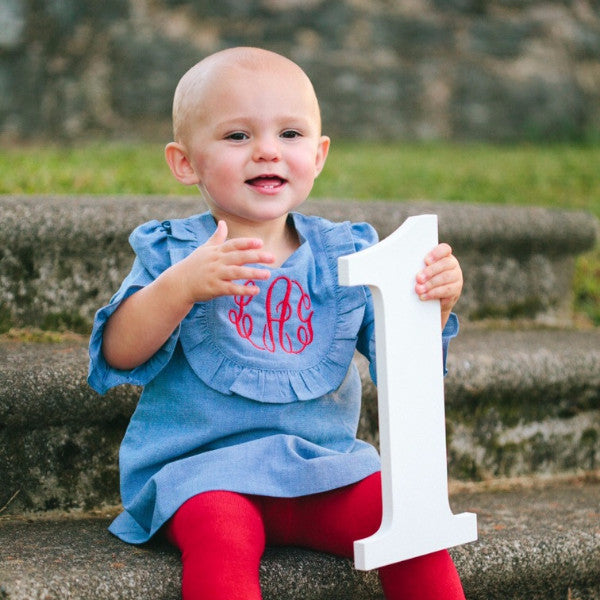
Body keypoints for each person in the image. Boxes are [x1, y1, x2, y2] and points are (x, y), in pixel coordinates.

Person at [88, 46, 466, 600]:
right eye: (237, 136)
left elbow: (402, 367)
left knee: (411, 518)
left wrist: (434, 306)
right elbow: (121, 352)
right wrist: (181, 287)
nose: (267, 150)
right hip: (206, 476)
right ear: (184, 161)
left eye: (290, 134)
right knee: (221, 537)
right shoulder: (175, 252)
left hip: (324, 471)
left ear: (319, 154)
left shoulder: (346, 254)